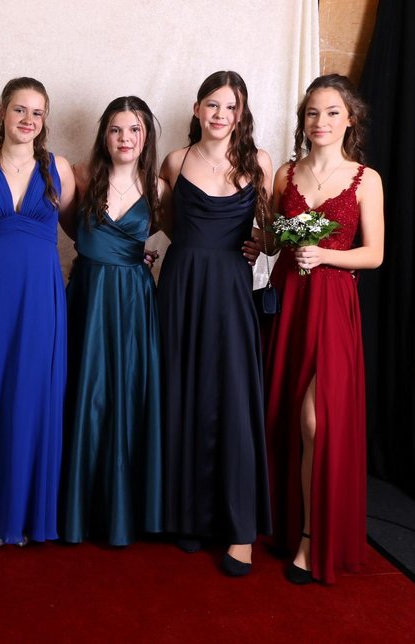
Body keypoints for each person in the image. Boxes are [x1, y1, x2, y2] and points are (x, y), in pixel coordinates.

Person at [262, 74, 383, 584]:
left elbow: (374, 254)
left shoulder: (366, 179)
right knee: (285, 413)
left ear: (350, 119)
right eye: (312, 112)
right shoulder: (285, 174)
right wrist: (262, 242)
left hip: (333, 305)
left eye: (332, 112)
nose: (321, 121)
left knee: (316, 420)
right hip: (290, 298)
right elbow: (274, 242)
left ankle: (313, 537)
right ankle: (285, 524)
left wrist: (328, 256)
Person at [157, 71, 274, 575]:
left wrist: (260, 244)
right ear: (197, 109)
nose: (220, 114)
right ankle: (187, 515)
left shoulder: (259, 161)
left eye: (230, 107)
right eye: (212, 104)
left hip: (230, 289)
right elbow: (167, 223)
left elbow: (271, 235)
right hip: (182, 284)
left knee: (232, 400)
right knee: (182, 392)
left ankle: (239, 529)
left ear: (241, 113)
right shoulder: (174, 161)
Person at [0, 77, 75, 547]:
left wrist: (129, 251)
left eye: (37, 112)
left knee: (32, 396)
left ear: (45, 120)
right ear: (2, 111)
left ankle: (24, 512)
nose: (27, 119)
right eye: (19, 109)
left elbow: (81, 227)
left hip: (40, 295)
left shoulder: (59, 168)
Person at [60, 96, 169, 546]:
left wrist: (131, 256)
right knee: (86, 393)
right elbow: (71, 227)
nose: (125, 138)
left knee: (127, 394)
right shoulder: (81, 176)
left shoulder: (160, 187)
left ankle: (125, 512)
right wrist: (101, 251)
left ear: (146, 137)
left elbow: (178, 232)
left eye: (134, 130)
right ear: (104, 135)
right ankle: (79, 510)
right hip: (89, 295)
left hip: (134, 301)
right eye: (116, 129)